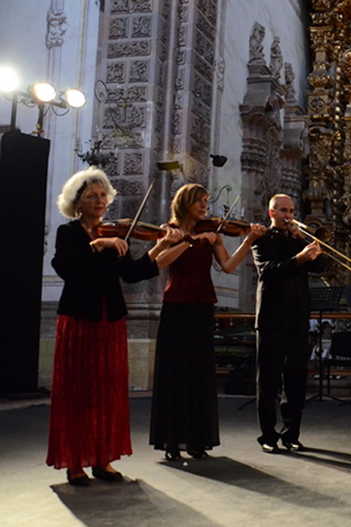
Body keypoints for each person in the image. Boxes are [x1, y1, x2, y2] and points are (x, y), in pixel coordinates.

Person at [47, 167, 182, 486]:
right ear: (76, 202)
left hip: (110, 321)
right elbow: (68, 268)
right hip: (80, 320)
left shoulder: (116, 234)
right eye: (91, 196)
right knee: (78, 392)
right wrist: (98, 246)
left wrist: (163, 245)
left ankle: (102, 459)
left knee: (105, 392)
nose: (99, 200)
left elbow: (134, 272)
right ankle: (75, 461)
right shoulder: (70, 234)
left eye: (103, 195)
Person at [149, 183, 266, 461]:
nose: (204, 206)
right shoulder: (171, 230)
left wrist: (248, 241)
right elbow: (160, 261)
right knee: (175, 373)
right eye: (199, 201)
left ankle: (196, 440)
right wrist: (189, 241)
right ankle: (172, 441)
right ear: (185, 202)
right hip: (176, 307)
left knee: (199, 374)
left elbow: (227, 266)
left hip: (202, 306)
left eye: (205, 201)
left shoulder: (211, 233)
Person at [252, 194, 325, 453]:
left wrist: (305, 245)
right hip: (271, 318)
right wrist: (300, 259)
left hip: (297, 318)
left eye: (292, 211)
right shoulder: (261, 239)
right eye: (283, 210)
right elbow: (268, 271)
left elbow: (321, 268)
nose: (289, 215)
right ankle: (268, 436)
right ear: (271, 213)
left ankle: (292, 433)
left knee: (296, 381)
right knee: (269, 381)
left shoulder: (298, 240)